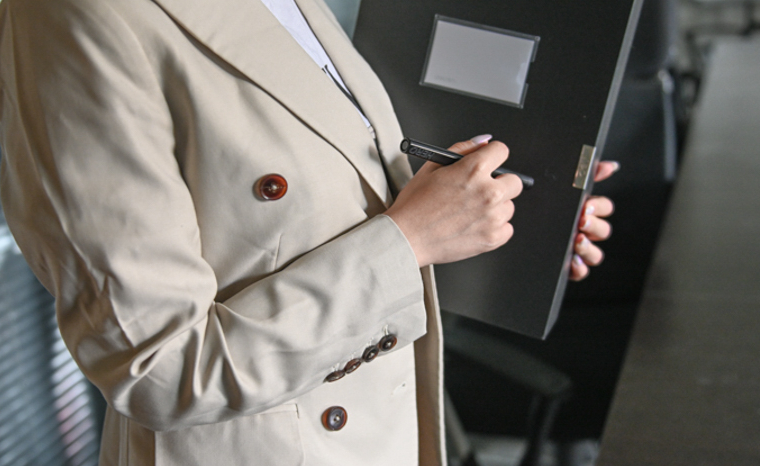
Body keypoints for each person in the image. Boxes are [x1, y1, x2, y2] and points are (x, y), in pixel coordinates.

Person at [0, 0, 615, 464]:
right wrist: (411, 240)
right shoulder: (72, 15)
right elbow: (161, 370)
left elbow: (312, 207)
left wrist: (488, 212)